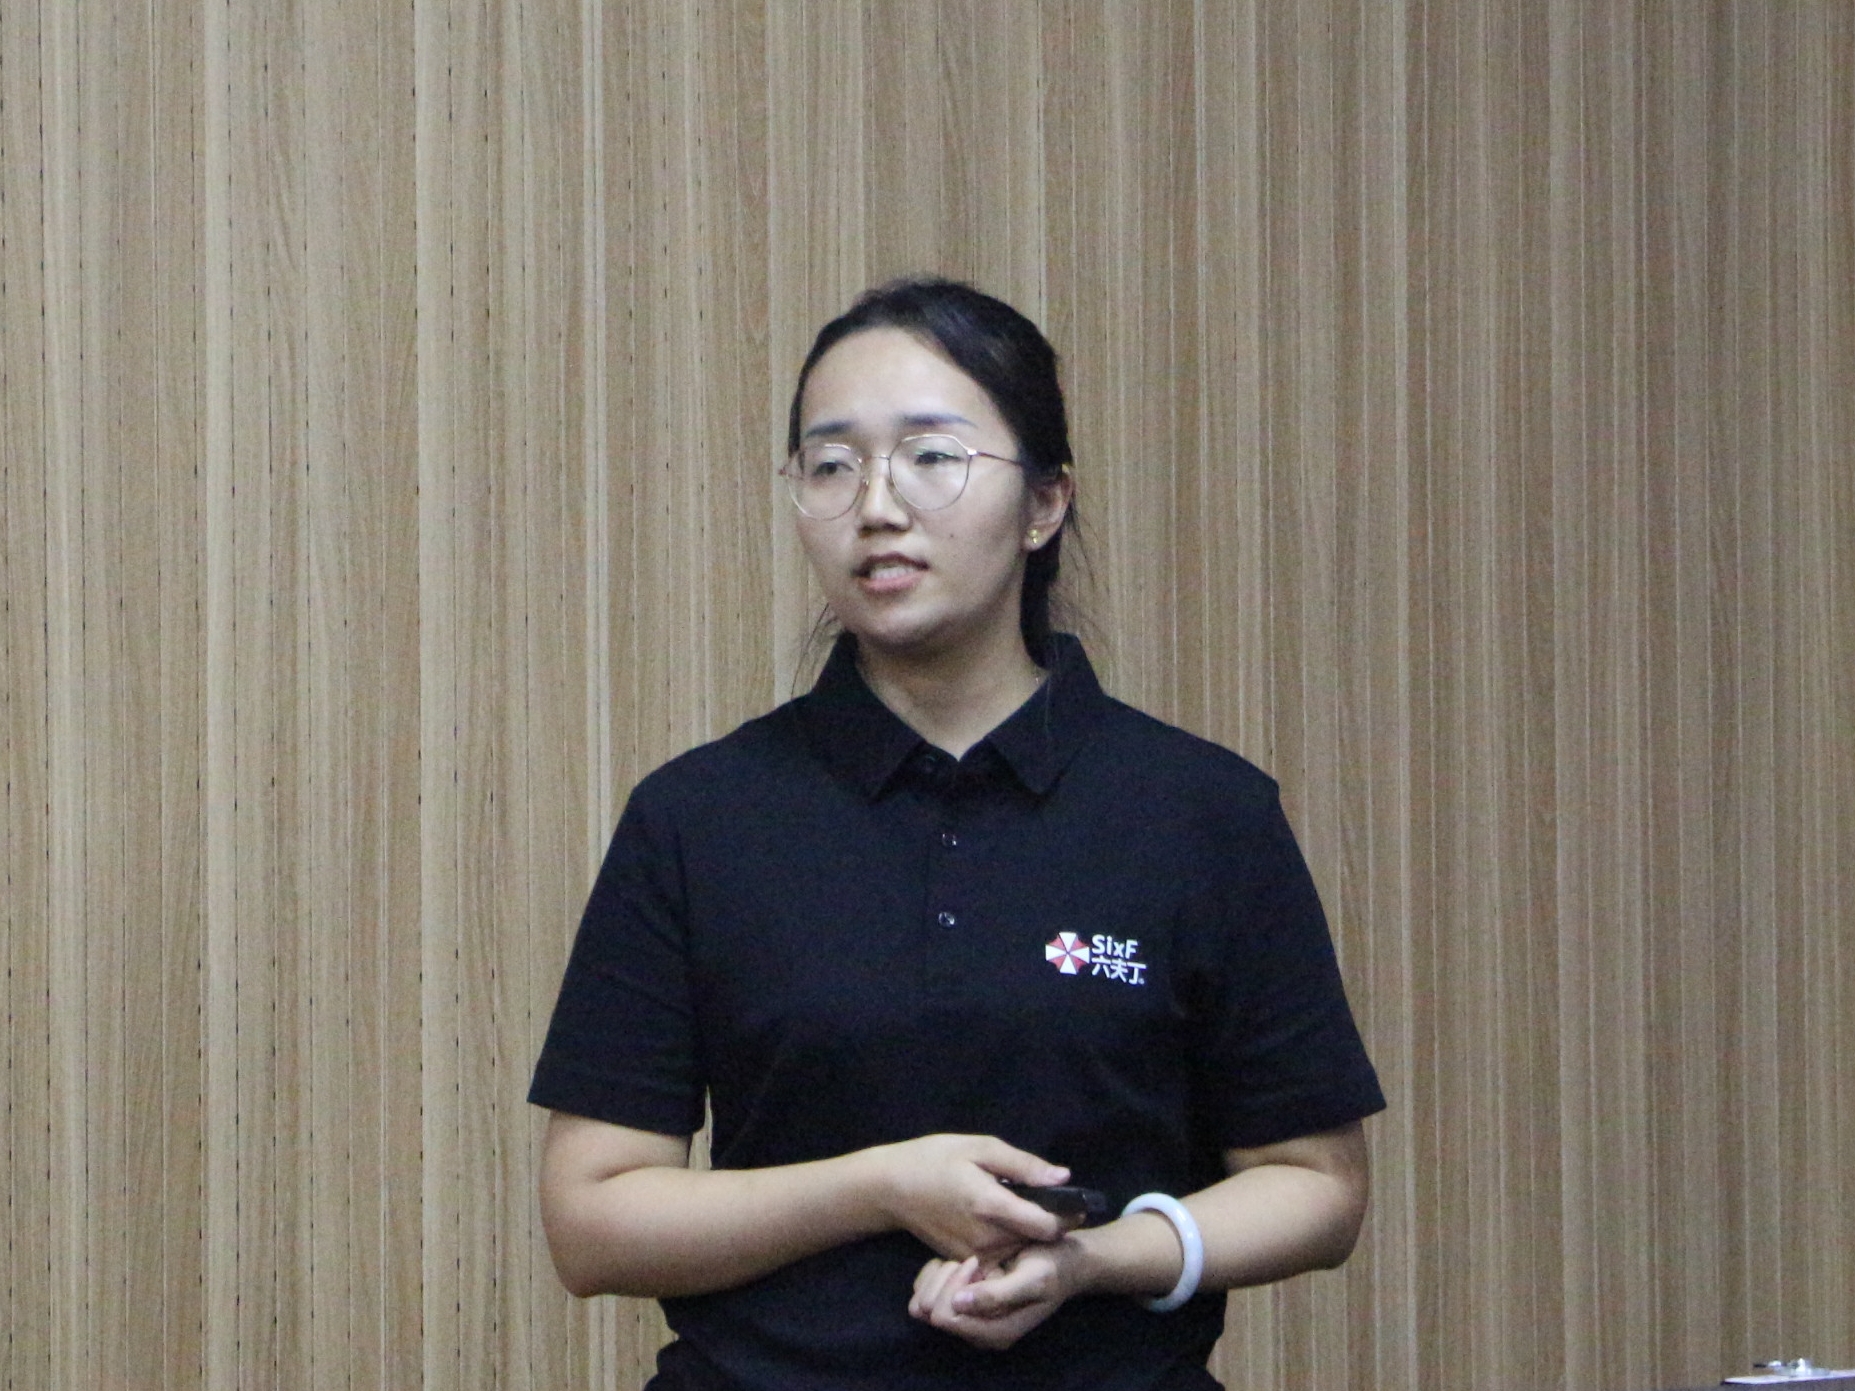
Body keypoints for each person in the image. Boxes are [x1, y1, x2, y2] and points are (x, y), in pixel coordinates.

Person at [529, 277, 1385, 1390]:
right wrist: (880, 1186)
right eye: (830, 465)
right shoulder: (699, 814)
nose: (876, 504)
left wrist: (1092, 1260)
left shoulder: (1200, 811)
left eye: (931, 456)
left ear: (1044, 503)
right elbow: (591, 1220)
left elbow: (1317, 1185)